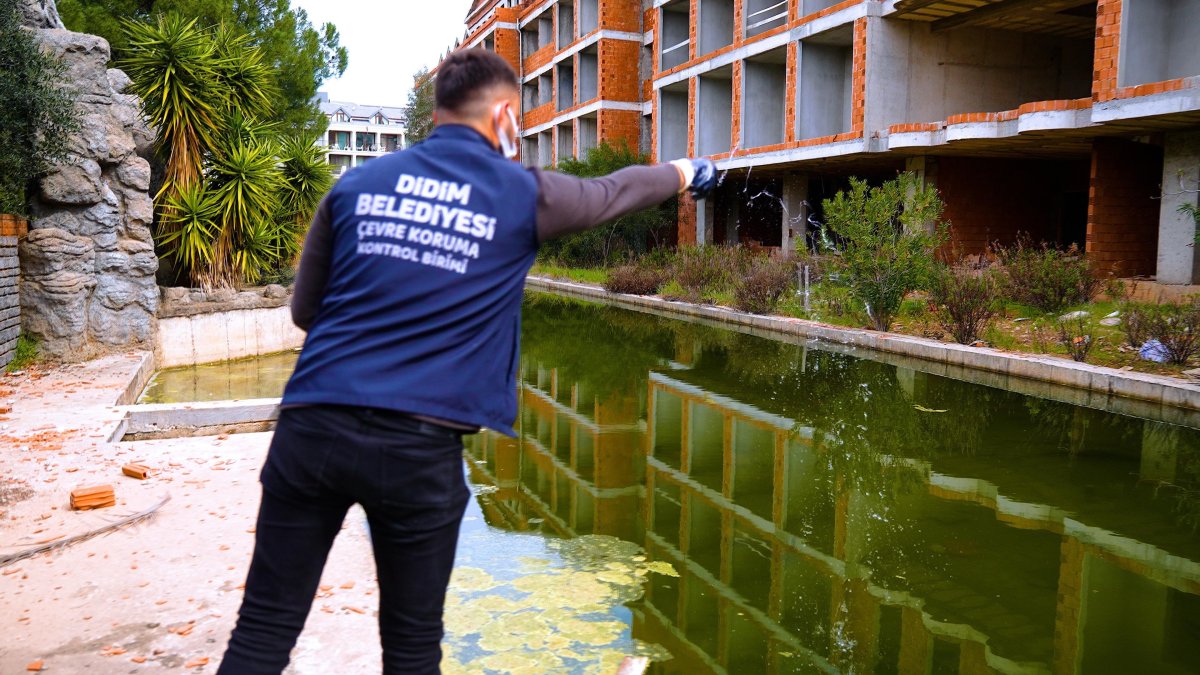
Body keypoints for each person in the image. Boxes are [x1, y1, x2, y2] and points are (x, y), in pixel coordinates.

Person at [216, 48, 717, 675]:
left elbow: (305, 312)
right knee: (412, 648)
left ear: (439, 111)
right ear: (506, 117)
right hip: (417, 447)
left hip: (311, 426)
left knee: (262, 631)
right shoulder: (520, 193)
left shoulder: (355, 186)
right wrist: (686, 169)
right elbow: (613, 192)